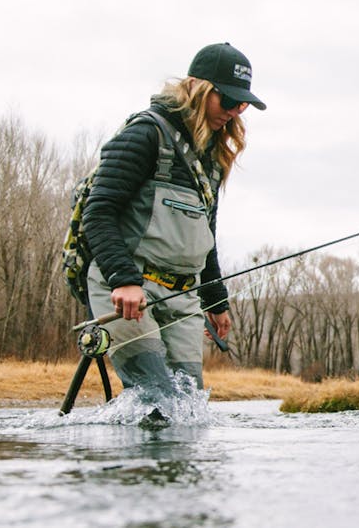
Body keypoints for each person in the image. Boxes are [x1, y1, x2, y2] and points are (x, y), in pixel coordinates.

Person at [82, 42, 266, 395]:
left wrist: (216, 301)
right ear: (198, 89)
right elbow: (99, 211)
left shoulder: (209, 158)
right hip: (127, 291)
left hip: (183, 297)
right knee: (158, 399)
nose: (234, 111)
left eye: (242, 104)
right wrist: (124, 280)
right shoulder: (145, 134)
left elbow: (204, 234)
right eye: (227, 100)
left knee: (189, 408)